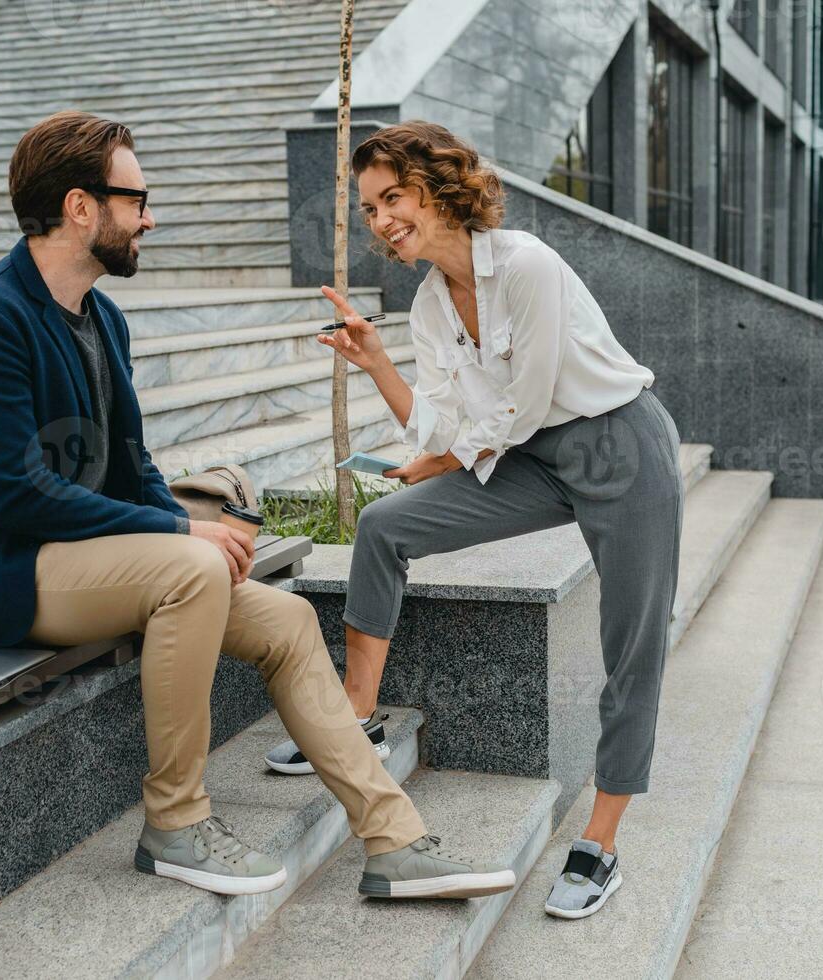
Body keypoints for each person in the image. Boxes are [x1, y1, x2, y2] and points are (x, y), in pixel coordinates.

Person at [0, 111, 514, 900]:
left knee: (289, 620)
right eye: (137, 198)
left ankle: (393, 842)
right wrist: (177, 530)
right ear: (80, 207)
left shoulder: (101, 317)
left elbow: (130, 467)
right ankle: (175, 823)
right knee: (192, 568)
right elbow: (15, 493)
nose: (149, 217)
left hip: (87, 562)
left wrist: (191, 522)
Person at [264, 121, 684, 919]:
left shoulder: (526, 265)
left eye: (394, 197)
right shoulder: (429, 303)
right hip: (529, 457)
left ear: (438, 183)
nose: (382, 219)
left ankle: (600, 843)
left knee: (633, 649)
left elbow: (522, 403)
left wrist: (446, 458)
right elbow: (443, 422)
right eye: (369, 208)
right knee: (387, 528)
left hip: (621, 449)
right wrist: (377, 364)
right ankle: (357, 723)